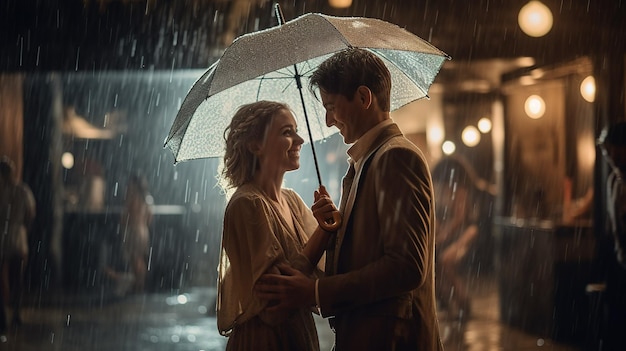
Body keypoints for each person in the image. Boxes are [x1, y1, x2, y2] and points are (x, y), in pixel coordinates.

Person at [255, 48, 444, 351]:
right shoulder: (367, 161)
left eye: (331, 106)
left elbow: (406, 267)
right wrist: (334, 228)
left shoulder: (396, 157)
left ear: (363, 98)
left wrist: (315, 291)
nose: (329, 121)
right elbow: (367, 251)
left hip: (393, 340)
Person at [216, 100, 339, 350]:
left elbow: (325, 270)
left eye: (295, 130)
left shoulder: (292, 200)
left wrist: (331, 224)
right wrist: (324, 232)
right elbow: (275, 306)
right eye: (287, 132)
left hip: (298, 334)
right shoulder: (247, 204)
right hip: (265, 341)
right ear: (255, 145)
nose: (300, 140)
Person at [431, 156, 491, 323]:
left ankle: (460, 306)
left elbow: (461, 219)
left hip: (472, 234)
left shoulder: (461, 190)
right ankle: (455, 306)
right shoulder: (455, 189)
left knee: (443, 263)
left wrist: (443, 236)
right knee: (440, 267)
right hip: (466, 234)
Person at [597, 121, 626, 350]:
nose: (609, 155)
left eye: (613, 149)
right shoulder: (613, 181)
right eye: (605, 150)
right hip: (619, 267)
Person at [0, 156, 36, 334]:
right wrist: (25, 229)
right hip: (17, 235)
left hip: (6, 235)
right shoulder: (23, 190)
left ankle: (10, 313)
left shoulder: (7, 191)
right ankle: (15, 312)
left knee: (11, 277)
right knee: (16, 279)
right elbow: (31, 213)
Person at [117, 173, 153, 294]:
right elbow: (150, 218)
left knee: (135, 259)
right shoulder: (147, 198)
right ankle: (140, 284)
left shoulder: (132, 197)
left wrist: (124, 223)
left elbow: (126, 216)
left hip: (134, 230)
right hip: (143, 230)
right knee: (140, 259)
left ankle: (138, 285)